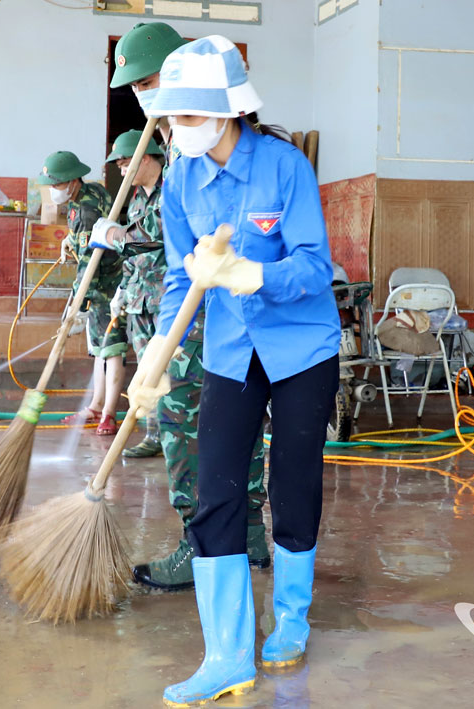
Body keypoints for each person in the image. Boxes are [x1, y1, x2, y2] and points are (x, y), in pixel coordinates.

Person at [133, 36, 341, 706]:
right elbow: (175, 278)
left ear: (227, 114)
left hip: (302, 348)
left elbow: (313, 266)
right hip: (230, 350)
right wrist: (159, 351)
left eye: (188, 118)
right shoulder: (180, 179)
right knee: (217, 486)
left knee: (292, 480)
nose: (176, 130)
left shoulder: (284, 168)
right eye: (170, 120)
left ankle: (290, 619)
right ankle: (225, 653)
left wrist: (256, 273)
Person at [110, 22, 270, 592]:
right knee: (221, 427)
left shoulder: (210, 143)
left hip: (220, 317)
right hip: (203, 315)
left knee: (186, 427)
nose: (145, 95)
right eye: (137, 88)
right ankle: (245, 536)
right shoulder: (183, 146)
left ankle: (201, 544)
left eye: (150, 81)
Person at [39, 150, 125, 435]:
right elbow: (84, 236)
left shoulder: (85, 209)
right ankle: (96, 406)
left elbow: (90, 260)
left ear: (73, 181)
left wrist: (76, 302)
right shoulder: (87, 194)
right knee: (99, 349)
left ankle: (108, 415)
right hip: (99, 286)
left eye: (58, 185)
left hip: (107, 286)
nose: (54, 191)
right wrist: (69, 239)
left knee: (112, 350)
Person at [102, 129, 166, 457]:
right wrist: (123, 291)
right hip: (140, 299)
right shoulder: (138, 197)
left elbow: (149, 237)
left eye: (127, 164)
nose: (123, 172)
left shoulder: (171, 188)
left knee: (174, 370)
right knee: (145, 372)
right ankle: (154, 436)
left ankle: (178, 437)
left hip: (170, 299)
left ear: (146, 158)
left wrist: (113, 234)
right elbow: (132, 255)